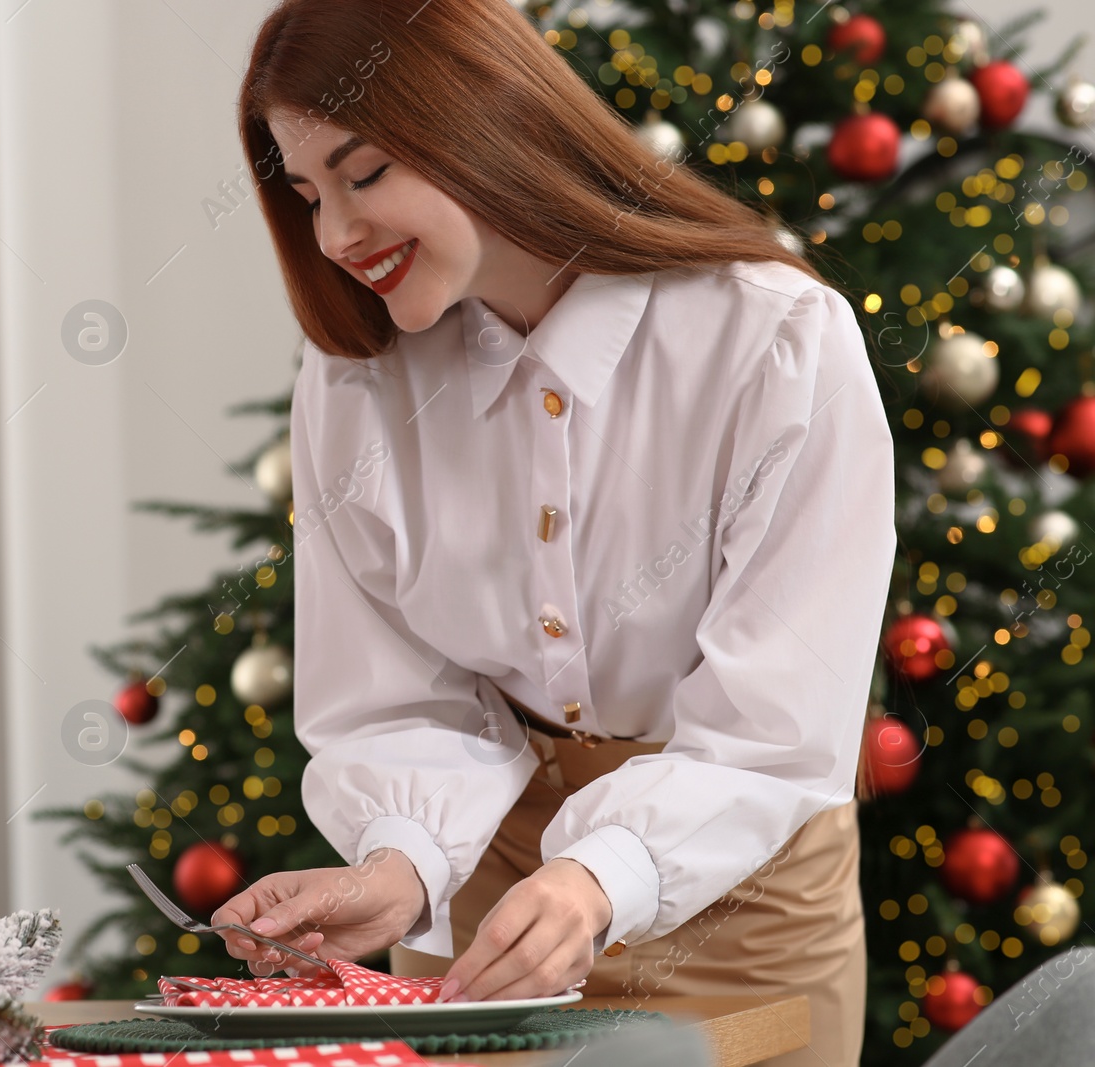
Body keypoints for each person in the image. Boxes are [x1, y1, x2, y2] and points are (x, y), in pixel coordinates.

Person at [212, 2, 897, 1065]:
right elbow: (392, 694)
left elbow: (774, 729)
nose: (337, 236)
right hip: (487, 916)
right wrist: (395, 867)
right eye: (307, 195)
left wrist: (596, 879)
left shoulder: (775, 342)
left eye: (365, 173)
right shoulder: (354, 381)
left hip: (744, 910)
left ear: (480, 121)